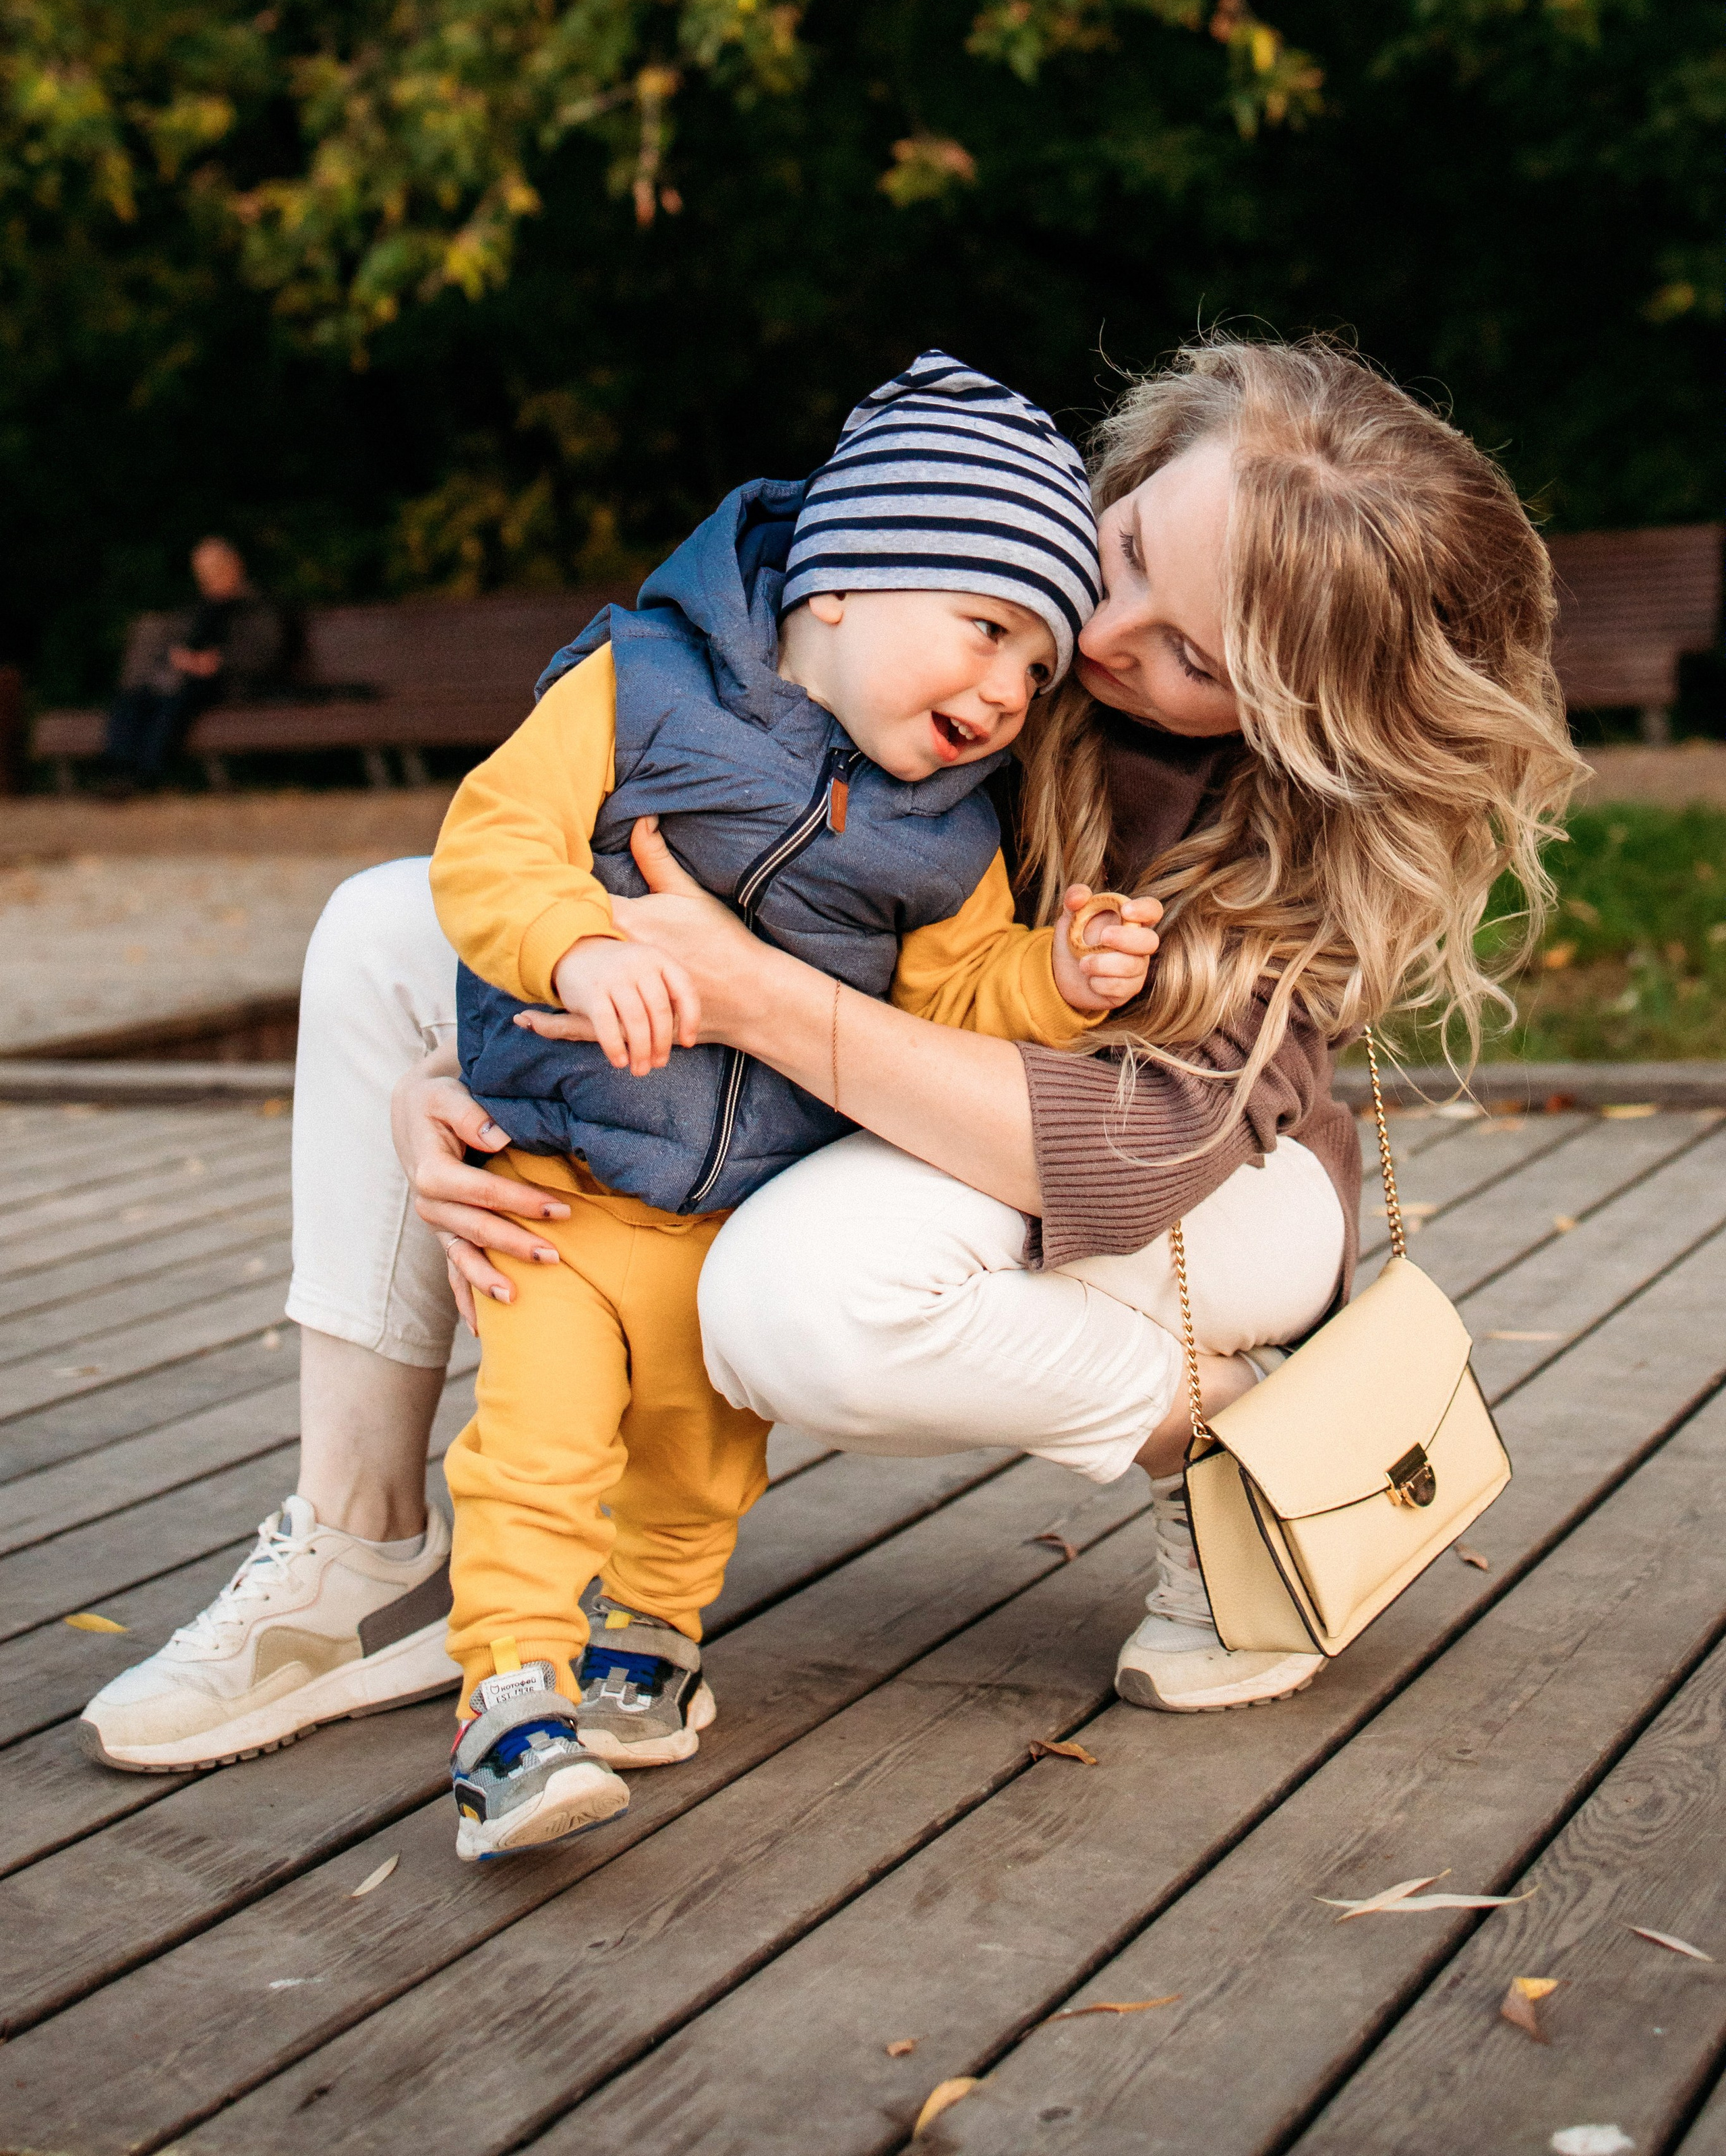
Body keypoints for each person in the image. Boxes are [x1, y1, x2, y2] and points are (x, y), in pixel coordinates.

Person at [79, 335, 1580, 1786]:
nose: (1097, 643)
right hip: (878, 1082)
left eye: (1190, 654)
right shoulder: (955, 580)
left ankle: (1225, 1430)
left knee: (789, 1299)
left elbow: (1119, 1153)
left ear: (1303, 717)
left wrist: (753, 1000)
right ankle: (364, 1549)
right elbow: (637, 855)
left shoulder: (1288, 825)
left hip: (1201, 1193)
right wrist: (476, 1073)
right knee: (385, 921)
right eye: (1122, 551)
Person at [429, 353, 1163, 1859]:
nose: (1006, 692)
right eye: (986, 629)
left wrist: (1054, 978)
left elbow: (950, 997)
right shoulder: (635, 687)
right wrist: (574, 944)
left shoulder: (949, 831)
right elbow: (490, 845)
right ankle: (507, 1701)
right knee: (539, 1445)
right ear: (836, 586)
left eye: (1037, 669)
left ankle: (650, 1639)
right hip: (561, 1180)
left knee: (699, 1459)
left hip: (737, 1206)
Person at [101, 536, 285, 792]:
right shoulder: (199, 607)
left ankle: (146, 774)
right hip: (188, 678)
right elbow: (179, 641)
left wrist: (219, 661)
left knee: (174, 699)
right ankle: (118, 772)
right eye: (203, 572)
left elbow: (266, 652)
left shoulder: (258, 606)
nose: (209, 578)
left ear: (235, 564)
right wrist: (181, 657)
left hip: (232, 684)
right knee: (136, 696)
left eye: (215, 569)